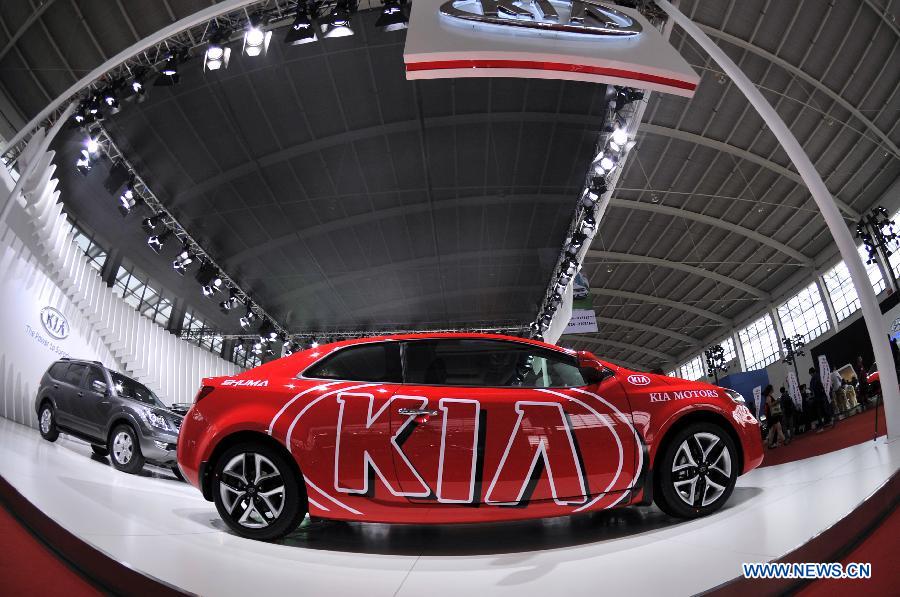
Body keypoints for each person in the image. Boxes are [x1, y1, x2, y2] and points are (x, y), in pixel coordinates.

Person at [810, 366, 833, 431]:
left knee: (819, 412)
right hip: (823, 395)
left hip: (818, 397)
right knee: (825, 409)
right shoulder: (820, 376)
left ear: (811, 373)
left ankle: (821, 426)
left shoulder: (813, 379)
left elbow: (812, 388)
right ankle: (829, 421)